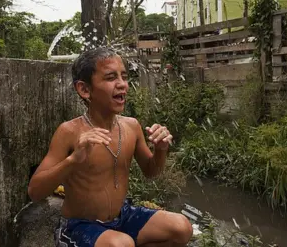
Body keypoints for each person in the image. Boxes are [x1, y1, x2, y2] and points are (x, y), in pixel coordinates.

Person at [28, 47, 193, 247]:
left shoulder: (131, 126)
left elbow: (151, 172)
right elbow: (35, 192)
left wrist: (160, 150)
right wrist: (73, 160)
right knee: (120, 244)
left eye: (124, 76)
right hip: (79, 226)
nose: (122, 84)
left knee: (181, 228)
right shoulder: (69, 132)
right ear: (84, 89)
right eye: (110, 78)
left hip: (121, 217)